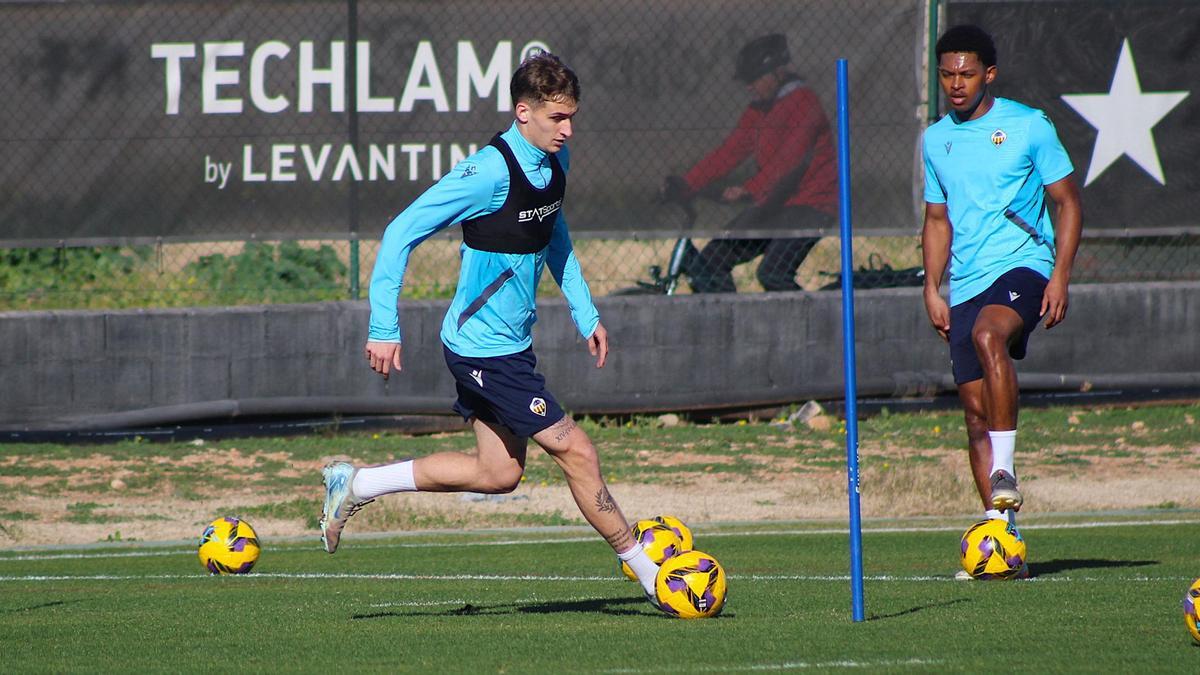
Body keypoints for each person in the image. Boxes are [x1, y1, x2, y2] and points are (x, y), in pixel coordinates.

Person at [319, 52, 665, 609]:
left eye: (572, 116)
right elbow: (399, 231)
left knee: (498, 474)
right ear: (523, 112)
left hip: (511, 348)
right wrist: (384, 326)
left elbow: (555, 237)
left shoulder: (556, 162)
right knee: (576, 449)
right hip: (481, 350)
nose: (568, 129)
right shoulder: (487, 173)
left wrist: (586, 313)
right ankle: (648, 572)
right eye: (557, 118)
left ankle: (355, 485)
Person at [920, 25, 1082, 577]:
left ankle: (1006, 474)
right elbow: (936, 219)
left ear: (989, 74)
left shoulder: (1028, 126)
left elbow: (1068, 204)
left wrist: (1060, 276)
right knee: (972, 416)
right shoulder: (935, 139)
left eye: (967, 73)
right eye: (947, 74)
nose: (956, 84)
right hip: (964, 283)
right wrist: (931, 286)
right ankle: (1000, 537)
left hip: (1024, 268)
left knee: (990, 334)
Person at [663, 33, 837, 293]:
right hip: (775, 204)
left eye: (754, 78)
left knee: (773, 274)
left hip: (810, 206)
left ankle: (811, 329)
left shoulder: (804, 102)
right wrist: (687, 183)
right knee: (710, 262)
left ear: (777, 73)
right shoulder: (760, 109)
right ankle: (729, 328)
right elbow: (730, 151)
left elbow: (789, 161)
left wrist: (749, 189)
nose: (749, 86)